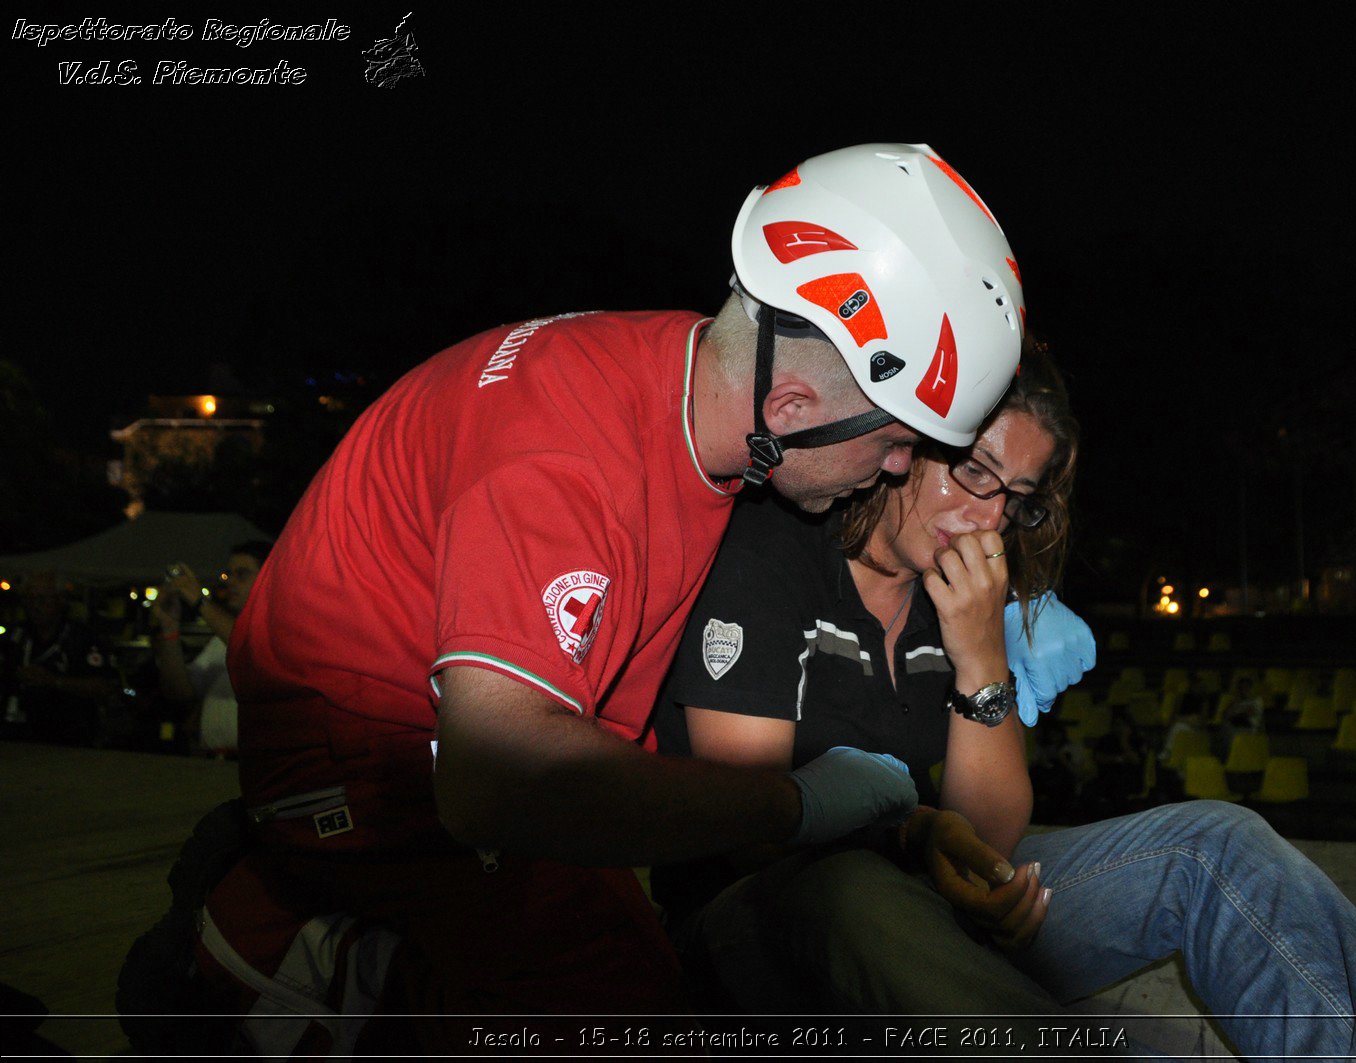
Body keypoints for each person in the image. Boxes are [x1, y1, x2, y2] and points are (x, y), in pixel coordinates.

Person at [193, 143, 1054, 1048]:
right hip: (363, 773)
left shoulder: (687, 386)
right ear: (793, 405)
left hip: (462, 756)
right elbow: (496, 781)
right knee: (627, 1002)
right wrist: (800, 804)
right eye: (896, 440)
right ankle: (332, 963)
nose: (897, 468)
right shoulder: (569, 460)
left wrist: (901, 824)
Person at [652, 355, 1356, 1060]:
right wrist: (917, 836)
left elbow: (992, 835)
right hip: (755, 927)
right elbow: (750, 828)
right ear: (908, 443)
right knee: (848, 885)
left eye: (1016, 496)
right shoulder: (774, 550)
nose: (990, 515)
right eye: (974, 470)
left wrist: (980, 657)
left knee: (1217, 845)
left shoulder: (960, 598)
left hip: (921, 897)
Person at [150, 541, 271, 756]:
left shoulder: (283, 631)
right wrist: (169, 630)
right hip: (213, 762)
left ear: (270, 577)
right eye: (228, 574)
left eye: (241, 574)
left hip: (253, 765)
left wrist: (199, 600)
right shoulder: (220, 640)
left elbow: (251, 647)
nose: (231, 582)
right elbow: (180, 692)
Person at [1, 571, 119, 745]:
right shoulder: (15, 635)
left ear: (61, 600)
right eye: (29, 599)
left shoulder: (82, 637)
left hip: (70, 737)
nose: (35, 606)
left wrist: (53, 681)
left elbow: (104, 686)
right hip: (19, 735)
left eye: (42, 599)